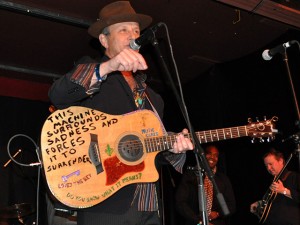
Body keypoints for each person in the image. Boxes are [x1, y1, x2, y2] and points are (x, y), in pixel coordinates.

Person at [47, 1, 194, 225]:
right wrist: (107, 67)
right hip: (106, 204)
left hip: (149, 207)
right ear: (104, 40)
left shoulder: (153, 98)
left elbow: (151, 151)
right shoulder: (93, 72)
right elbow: (58, 95)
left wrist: (174, 149)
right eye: (123, 29)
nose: (132, 35)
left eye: (136, 30)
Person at [175, 145, 236, 225]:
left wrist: (218, 213)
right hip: (195, 222)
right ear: (202, 155)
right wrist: (199, 221)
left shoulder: (223, 179)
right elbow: (180, 202)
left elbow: (231, 206)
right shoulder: (190, 176)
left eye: (216, 155)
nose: (212, 157)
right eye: (209, 154)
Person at [250, 148, 300, 225]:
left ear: (280, 161)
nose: (268, 168)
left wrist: (284, 191)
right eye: (266, 166)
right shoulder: (273, 180)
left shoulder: (295, 177)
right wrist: (259, 203)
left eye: (270, 164)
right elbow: (273, 202)